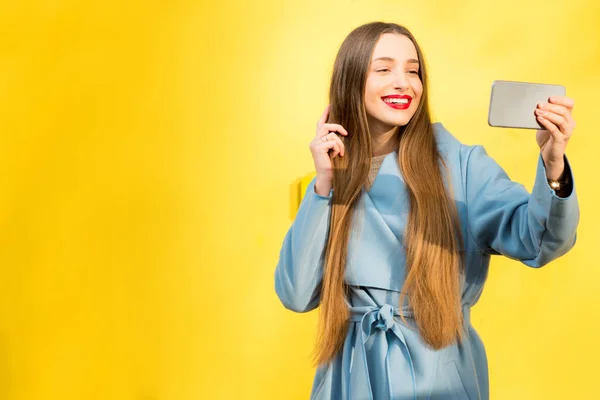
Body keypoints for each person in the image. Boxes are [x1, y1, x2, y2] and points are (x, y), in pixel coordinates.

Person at [274, 21, 579, 400]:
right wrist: (324, 184)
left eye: (413, 70)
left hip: (439, 377)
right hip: (350, 380)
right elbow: (295, 293)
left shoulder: (461, 165)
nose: (403, 82)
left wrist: (554, 166)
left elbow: (541, 240)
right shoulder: (326, 180)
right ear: (351, 81)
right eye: (384, 69)